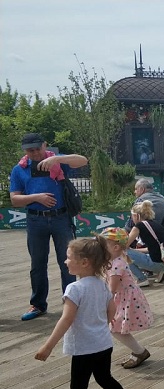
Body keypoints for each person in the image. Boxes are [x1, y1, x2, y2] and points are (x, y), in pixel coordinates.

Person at [34, 236, 140, 389]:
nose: (65, 261)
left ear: (84, 262)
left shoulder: (75, 289)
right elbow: (112, 310)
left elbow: (66, 319)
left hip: (84, 348)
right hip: (103, 344)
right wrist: (99, 324)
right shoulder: (102, 285)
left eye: (68, 257)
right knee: (105, 378)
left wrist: (48, 346)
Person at [10, 132, 89, 321]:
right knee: (37, 264)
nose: (35, 153)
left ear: (45, 145)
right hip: (35, 220)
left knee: (68, 261)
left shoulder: (57, 162)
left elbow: (83, 160)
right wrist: (37, 198)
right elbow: (15, 199)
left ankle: (71, 302)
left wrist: (57, 160)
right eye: (30, 150)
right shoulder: (19, 169)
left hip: (61, 217)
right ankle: (38, 304)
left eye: (38, 148)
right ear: (25, 151)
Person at [99, 227, 154, 369]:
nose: (100, 249)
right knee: (116, 328)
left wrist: (104, 306)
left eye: (103, 245)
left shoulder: (116, 265)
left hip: (126, 299)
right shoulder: (115, 260)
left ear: (115, 247)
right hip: (124, 297)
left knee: (115, 329)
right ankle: (139, 351)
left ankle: (140, 352)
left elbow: (112, 289)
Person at [127, 200, 164, 285]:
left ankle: (142, 279)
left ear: (136, 216)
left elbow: (124, 245)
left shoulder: (139, 226)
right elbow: (152, 248)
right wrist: (134, 251)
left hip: (155, 263)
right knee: (129, 252)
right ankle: (161, 270)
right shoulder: (155, 224)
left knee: (123, 253)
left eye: (132, 216)